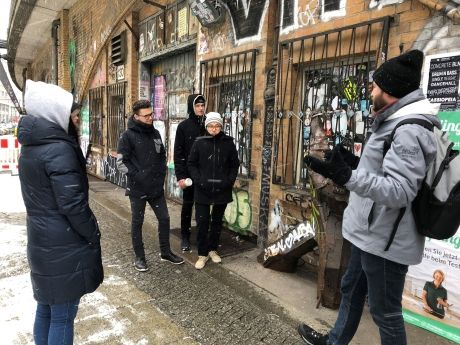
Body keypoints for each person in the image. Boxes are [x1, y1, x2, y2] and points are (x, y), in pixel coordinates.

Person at [299, 50, 440, 345]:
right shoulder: (391, 121)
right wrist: (352, 163)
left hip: (387, 242)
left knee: (384, 313)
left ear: (389, 92)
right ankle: (334, 341)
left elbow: (400, 190)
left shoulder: (409, 130)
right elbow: (382, 171)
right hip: (370, 233)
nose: (371, 90)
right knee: (351, 288)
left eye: (375, 86)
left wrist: (348, 177)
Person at [18, 80, 103, 345]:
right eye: (75, 116)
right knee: (63, 315)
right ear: (58, 116)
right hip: (64, 243)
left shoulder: (32, 147)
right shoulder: (59, 149)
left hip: (42, 239)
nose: (78, 121)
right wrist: (93, 232)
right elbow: (73, 205)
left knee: (46, 307)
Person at [117, 99, 184, 271]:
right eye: (146, 115)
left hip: (155, 188)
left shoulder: (154, 133)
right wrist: (138, 176)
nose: (150, 118)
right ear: (136, 116)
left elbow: (161, 155)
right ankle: (139, 258)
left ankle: (165, 252)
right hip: (138, 188)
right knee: (137, 222)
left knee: (164, 219)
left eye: (151, 114)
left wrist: (160, 174)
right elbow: (121, 163)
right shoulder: (127, 136)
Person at [187, 112, 239, 269]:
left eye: (217, 125)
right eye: (211, 125)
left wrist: (228, 181)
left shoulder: (228, 143)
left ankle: (213, 250)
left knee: (217, 222)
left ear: (221, 126)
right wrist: (199, 180)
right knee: (202, 222)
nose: (214, 128)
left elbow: (234, 164)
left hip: (222, 189)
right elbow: (191, 163)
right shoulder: (199, 142)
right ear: (206, 126)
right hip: (203, 189)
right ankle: (202, 254)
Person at [174, 94, 206, 252]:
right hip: (188, 174)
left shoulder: (209, 123)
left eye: (202, 105)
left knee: (203, 207)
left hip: (205, 174)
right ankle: (185, 237)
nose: (200, 108)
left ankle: (202, 237)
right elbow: (178, 153)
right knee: (187, 206)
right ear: (191, 107)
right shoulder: (184, 126)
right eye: (197, 105)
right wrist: (180, 176)